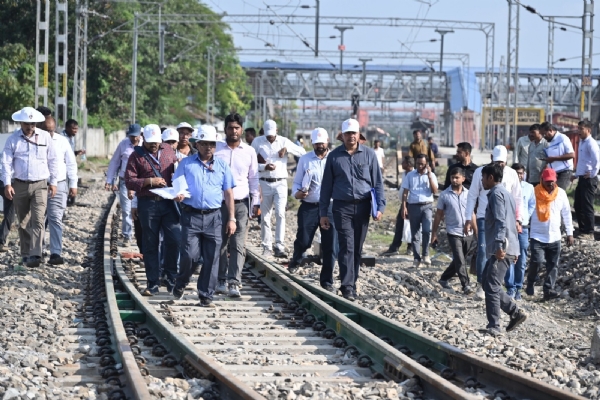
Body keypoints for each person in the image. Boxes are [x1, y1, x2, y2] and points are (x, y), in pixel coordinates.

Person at [320, 118, 386, 301]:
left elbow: (378, 183)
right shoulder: (334, 157)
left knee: (357, 248)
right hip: (342, 207)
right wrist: (323, 213)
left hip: (364, 206)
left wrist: (380, 206)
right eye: (348, 133)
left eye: (354, 133)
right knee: (347, 246)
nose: (351, 136)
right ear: (342, 136)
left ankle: (351, 282)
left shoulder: (370, 155)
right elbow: (326, 186)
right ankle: (347, 286)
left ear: (359, 135)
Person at [171, 125, 236, 308]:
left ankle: (206, 295)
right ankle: (181, 281)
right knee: (189, 255)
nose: (209, 147)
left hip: (214, 217)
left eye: (212, 144)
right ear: (197, 144)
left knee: (212, 257)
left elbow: (229, 193)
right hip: (191, 216)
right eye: (205, 144)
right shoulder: (186, 164)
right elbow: (177, 185)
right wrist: (179, 194)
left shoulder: (222, 166)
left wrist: (231, 218)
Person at [125, 124, 181, 296]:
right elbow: (129, 180)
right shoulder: (136, 156)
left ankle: (171, 277)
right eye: (150, 143)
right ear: (144, 139)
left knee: (174, 240)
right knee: (151, 244)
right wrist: (149, 182)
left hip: (168, 203)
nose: (154, 145)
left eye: (156, 142)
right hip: (148, 204)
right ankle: (152, 282)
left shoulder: (169, 151)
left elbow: (179, 171)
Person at [2, 107, 58, 268]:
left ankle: (36, 254)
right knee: (23, 221)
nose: (30, 127)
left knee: (38, 219)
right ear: (21, 122)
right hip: (19, 184)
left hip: (40, 184)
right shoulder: (13, 139)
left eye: (33, 124)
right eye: (27, 124)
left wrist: (53, 182)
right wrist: (7, 183)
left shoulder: (45, 137)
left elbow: (53, 160)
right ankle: (26, 254)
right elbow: (5, 162)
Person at [465, 145, 523, 301]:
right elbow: (472, 196)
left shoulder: (511, 174)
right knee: (484, 251)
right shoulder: (481, 173)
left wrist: (518, 219)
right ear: (491, 158)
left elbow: (518, 198)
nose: (499, 166)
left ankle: (504, 287)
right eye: (497, 162)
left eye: (502, 164)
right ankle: (481, 285)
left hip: (505, 220)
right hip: (484, 218)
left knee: (506, 252)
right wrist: (468, 218)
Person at [214, 114, 260, 297]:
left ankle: (234, 282)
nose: (234, 131)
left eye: (237, 128)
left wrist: (255, 202)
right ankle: (220, 280)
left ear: (241, 129)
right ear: (225, 129)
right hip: (218, 203)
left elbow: (253, 178)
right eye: (230, 127)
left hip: (241, 202)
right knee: (220, 243)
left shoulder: (249, 152)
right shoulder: (216, 149)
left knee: (238, 243)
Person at [480, 163, 528, 336]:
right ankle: (515, 313)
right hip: (509, 245)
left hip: (501, 248)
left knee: (491, 285)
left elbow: (501, 221)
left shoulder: (497, 195)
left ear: (491, 177)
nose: (482, 181)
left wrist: (501, 246)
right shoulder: (506, 194)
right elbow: (512, 222)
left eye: (483, 177)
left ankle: (494, 326)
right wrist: (514, 247)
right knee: (486, 282)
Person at [288, 128, 338, 291]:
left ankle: (327, 281)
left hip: (330, 207)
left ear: (327, 141)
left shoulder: (335, 158)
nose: (319, 146)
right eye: (316, 144)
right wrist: (298, 193)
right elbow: (296, 182)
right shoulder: (305, 159)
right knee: (304, 239)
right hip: (310, 205)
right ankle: (296, 259)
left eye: (322, 143)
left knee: (331, 244)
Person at [252, 119, 306, 258]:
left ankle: (279, 245)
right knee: (265, 216)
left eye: (272, 134)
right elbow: (250, 164)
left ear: (276, 131)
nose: (270, 137)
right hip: (264, 182)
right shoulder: (257, 142)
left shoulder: (284, 141)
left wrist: (288, 149)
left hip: (280, 182)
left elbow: (302, 152)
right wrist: (264, 167)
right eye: (267, 134)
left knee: (280, 214)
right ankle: (266, 246)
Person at [527, 168, 574, 300]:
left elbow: (566, 214)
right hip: (537, 235)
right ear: (542, 180)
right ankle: (530, 282)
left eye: (552, 182)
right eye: (547, 182)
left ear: (556, 180)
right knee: (537, 261)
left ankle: (548, 290)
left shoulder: (561, 194)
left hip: (555, 236)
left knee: (553, 265)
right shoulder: (534, 192)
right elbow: (527, 210)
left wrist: (570, 233)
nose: (550, 185)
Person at [40, 116, 78, 265]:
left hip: (60, 184)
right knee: (39, 220)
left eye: (51, 130)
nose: (49, 133)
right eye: (45, 130)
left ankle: (56, 253)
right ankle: (39, 251)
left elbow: (71, 163)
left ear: (55, 128)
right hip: (40, 185)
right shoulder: (34, 140)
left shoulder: (62, 141)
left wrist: (73, 184)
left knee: (55, 218)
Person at [432, 167, 476, 294]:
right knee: (459, 258)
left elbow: (472, 213)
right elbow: (439, 215)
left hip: (468, 233)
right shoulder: (445, 195)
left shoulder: (469, 194)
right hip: (453, 232)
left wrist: (477, 232)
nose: (454, 180)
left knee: (459, 259)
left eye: (457, 177)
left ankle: (444, 278)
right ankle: (466, 285)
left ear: (463, 178)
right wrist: (434, 233)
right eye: (452, 177)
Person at [106, 124, 143, 246]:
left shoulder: (145, 144)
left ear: (140, 135)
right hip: (125, 181)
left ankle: (141, 237)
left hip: (142, 182)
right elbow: (115, 162)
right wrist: (110, 180)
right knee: (127, 210)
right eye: (131, 136)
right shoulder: (123, 144)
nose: (133, 139)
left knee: (141, 210)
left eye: (135, 136)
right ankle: (127, 236)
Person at [504, 163, 535, 299]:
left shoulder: (529, 188)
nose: (519, 175)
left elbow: (531, 204)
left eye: (521, 173)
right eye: (516, 173)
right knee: (510, 257)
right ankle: (510, 287)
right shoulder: (507, 186)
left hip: (524, 227)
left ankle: (518, 288)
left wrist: (525, 217)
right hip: (509, 227)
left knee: (521, 259)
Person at [401, 154, 438, 267]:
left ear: (426, 164)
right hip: (413, 206)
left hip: (427, 206)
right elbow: (405, 192)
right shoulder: (410, 175)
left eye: (422, 164)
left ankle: (425, 254)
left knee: (427, 230)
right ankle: (416, 258)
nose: (420, 166)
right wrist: (404, 207)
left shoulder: (431, 175)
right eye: (418, 164)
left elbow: (435, 191)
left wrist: (429, 176)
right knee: (415, 233)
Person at [380, 156, 415, 256]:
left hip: (411, 203)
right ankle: (395, 247)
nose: (401, 164)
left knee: (410, 225)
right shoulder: (405, 174)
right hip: (404, 203)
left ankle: (410, 247)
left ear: (408, 164)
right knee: (400, 224)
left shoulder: (414, 174)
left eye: (403, 162)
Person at [573, 120, 600, 240]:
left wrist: (593, 174)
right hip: (582, 178)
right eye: (578, 128)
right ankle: (583, 229)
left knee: (587, 205)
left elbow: (596, 160)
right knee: (578, 205)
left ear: (588, 130)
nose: (578, 131)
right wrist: (576, 174)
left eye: (581, 129)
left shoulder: (591, 143)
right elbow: (583, 162)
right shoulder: (582, 143)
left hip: (589, 180)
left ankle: (589, 232)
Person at [540, 122, 574, 190]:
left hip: (565, 172)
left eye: (544, 134)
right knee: (551, 193)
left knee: (558, 192)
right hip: (554, 173)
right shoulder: (549, 141)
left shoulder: (562, 138)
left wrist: (554, 159)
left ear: (550, 130)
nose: (544, 137)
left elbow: (572, 155)